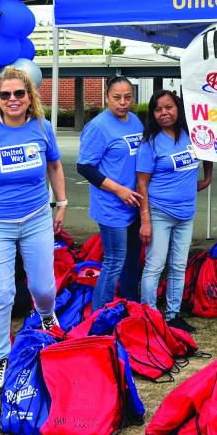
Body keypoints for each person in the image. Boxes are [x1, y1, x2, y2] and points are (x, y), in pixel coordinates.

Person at [0, 67, 67, 394]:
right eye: (5, 94)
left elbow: (55, 165)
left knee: (44, 288)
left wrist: (61, 203)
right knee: (2, 293)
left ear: (29, 96)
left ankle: (46, 314)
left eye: (19, 93)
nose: (12, 99)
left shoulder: (42, 129)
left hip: (35, 219)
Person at [136, 90, 212, 333]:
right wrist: (145, 220)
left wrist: (207, 178)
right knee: (155, 266)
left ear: (177, 108)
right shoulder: (150, 142)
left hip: (186, 214)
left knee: (179, 266)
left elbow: (209, 151)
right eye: (158, 110)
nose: (164, 113)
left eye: (168, 107)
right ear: (153, 114)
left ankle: (173, 315)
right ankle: (149, 316)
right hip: (159, 212)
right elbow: (142, 184)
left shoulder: (191, 135)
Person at [77, 76, 143, 311]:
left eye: (128, 97)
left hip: (134, 203)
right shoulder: (98, 126)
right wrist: (119, 190)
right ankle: (99, 313)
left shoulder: (135, 121)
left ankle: (130, 306)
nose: (122, 102)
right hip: (111, 205)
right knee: (114, 261)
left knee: (132, 260)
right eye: (117, 97)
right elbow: (84, 167)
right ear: (107, 98)